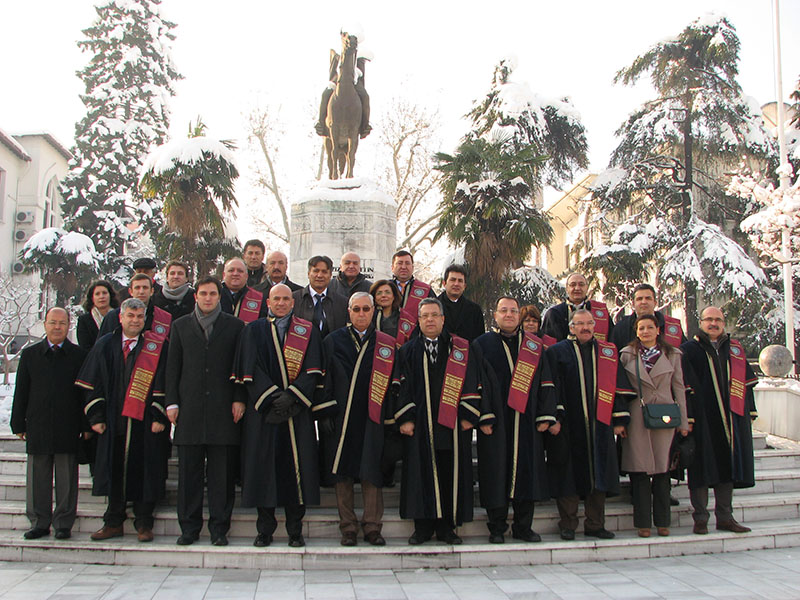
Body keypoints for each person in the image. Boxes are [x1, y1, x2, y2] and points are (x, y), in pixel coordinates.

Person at [234, 284, 324, 547]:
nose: (282, 303)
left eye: (286, 299)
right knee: (264, 470)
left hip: (297, 412)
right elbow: (250, 370)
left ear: (293, 303)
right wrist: (274, 399)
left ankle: (295, 530)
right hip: (264, 412)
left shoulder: (307, 331)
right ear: (268, 302)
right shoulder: (253, 331)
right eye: (277, 299)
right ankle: (265, 530)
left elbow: (314, 369)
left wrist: (292, 397)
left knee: (297, 470)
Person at [76, 298, 171, 542]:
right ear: (120, 317)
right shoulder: (105, 344)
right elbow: (90, 383)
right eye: (131, 316)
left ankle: (143, 522)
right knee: (114, 469)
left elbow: (166, 380)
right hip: (112, 420)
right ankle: (113, 521)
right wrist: (95, 416)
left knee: (145, 470)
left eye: (140, 316)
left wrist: (160, 414)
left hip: (145, 421)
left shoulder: (156, 346)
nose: (135, 320)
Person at [393, 298, 481, 545]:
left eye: (434, 315)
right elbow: (401, 387)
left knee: (448, 474)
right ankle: (422, 527)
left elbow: (472, 382)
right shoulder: (408, 351)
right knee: (420, 476)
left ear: (443, 319)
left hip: (452, 426)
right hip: (420, 426)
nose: (430, 320)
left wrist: (467, 415)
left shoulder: (461, 349)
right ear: (418, 320)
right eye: (425, 316)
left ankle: (446, 527)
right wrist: (406, 418)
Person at [166, 276, 246, 547]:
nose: (208, 298)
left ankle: (219, 528)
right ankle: (188, 528)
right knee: (189, 475)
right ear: (195, 296)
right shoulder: (180, 326)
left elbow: (240, 367)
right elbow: (172, 367)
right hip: (189, 409)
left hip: (224, 411)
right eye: (203, 293)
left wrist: (239, 399)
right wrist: (172, 402)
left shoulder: (235, 326)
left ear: (219, 297)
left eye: (213, 293)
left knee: (221, 476)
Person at [473, 297, 556, 544]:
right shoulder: (482, 344)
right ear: (495, 315)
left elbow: (547, 381)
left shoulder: (534, 345)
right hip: (496, 423)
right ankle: (496, 527)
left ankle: (523, 526)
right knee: (495, 472)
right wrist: (484, 416)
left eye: (513, 310)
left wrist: (545, 415)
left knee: (527, 473)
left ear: (519, 315)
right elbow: (478, 384)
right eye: (503, 310)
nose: (509, 315)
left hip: (528, 421)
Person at [545, 308, 629, 540]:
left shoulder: (607, 353)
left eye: (589, 324)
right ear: (571, 327)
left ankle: (595, 524)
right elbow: (552, 388)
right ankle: (568, 524)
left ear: (595, 326)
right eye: (579, 324)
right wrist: (555, 418)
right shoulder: (557, 352)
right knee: (568, 475)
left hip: (600, 425)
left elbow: (617, 387)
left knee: (598, 474)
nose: (585, 328)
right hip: (568, 426)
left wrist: (619, 419)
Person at [11, 308, 89, 540]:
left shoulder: (79, 356)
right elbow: (21, 391)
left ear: (68, 326)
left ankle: (63, 523)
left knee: (67, 478)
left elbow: (84, 394)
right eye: (53, 322)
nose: (57, 327)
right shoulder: (31, 355)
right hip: (39, 423)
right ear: (45, 324)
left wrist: (85, 425)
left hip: (68, 424)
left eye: (62, 323)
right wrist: (18, 423)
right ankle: (39, 521)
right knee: (38, 476)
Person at [320, 292, 391, 546]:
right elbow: (323, 379)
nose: (361, 314)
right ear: (349, 311)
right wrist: (326, 411)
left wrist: (390, 419)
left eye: (366, 309)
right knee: (344, 472)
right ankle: (348, 527)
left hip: (373, 417)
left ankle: (372, 526)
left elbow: (394, 385)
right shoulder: (332, 341)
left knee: (372, 471)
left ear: (374, 311)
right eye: (356, 309)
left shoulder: (386, 344)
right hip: (342, 416)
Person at [681, 306, 758, 535]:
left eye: (718, 320)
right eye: (709, 320)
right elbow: (684, 387)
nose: (713, 324)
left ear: (724, 323)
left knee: (727, 468)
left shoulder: (734, 350)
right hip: (704, 419)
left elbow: (747, 385)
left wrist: (750, 413)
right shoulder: (688, 350)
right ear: (701, 322)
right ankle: (700, 519)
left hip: (732, 420)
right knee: (702, 470)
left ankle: (725, 517)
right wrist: (690, 417)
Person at [618, 314, 689, 538]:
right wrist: (619, 419)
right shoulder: (626, 355)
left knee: (662, 469)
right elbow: (619, 388)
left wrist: (684, 421)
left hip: (665, 415)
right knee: (639, 470)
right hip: (637, 415)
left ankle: (663, 521)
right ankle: (643, 523)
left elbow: (679, 388)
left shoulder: (673, 354)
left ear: (658, 330)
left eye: (650, 327)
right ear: (636, 331)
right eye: (641, 328)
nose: (646, 331)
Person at [369, 278, 404, 488]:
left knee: (392, 430)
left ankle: (387, 473)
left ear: (394, 296)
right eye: (379, 293)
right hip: (372, 377)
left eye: (387, 292)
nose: (383, 296)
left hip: (395, 378)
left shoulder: (404, 320)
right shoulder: (368, 316)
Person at [541, 273, 614, 342]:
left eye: (581, 285)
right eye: (573, 285)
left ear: (587, 287)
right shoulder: (554, 313)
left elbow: (611, 341)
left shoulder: (600, 311)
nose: (577, 288)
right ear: (567, 288)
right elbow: (548, 344)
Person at [610, 284, 686, 350]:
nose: (644, 302)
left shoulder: (671, 326)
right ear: (633, 304)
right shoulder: (621, 328)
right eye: (639, 299)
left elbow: (683, 355)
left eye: (648, 298)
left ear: (655, 303)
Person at [292, 255, 348, 338]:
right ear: (308, 274)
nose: (319, 275)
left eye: (324, 272)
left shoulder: (342, 302)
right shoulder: (294, 299)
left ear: (330, 275)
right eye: (316, 271)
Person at [98, 273, 170, 339]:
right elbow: (102, 346)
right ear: (130, 291)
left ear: (152, 291)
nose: (141, 292)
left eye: (145, 288)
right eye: (137, 288)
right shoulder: (113, 316)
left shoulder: (162, 317)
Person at [391, 250, 436, 346]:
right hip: (388, 341)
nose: (403, 267)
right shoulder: (384, 288)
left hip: (416, 343)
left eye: (407, 263)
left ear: (412, 267)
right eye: (399, 263)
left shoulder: (425, 290)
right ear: (392, 267)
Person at [437, 264, 484, 342]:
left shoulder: (475, 310)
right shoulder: (433, 307)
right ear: (444, 283)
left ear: (464, 286)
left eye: (460, 281)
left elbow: (480, 341)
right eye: (453, 280)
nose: (456, 284)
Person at [220, 257, 268, 323]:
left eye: (240, 271)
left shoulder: (259, 299)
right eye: (231, 270)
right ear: (224, 275)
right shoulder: (215, 295)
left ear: (246, 276)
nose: (235, 274)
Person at [77, 280, 119, 350]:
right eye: (97, 294)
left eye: (104, 293)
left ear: (110, 295)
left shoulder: (120, 317)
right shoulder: (84, 320)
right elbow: (84, 346)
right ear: (92, 298)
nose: (101, 296)